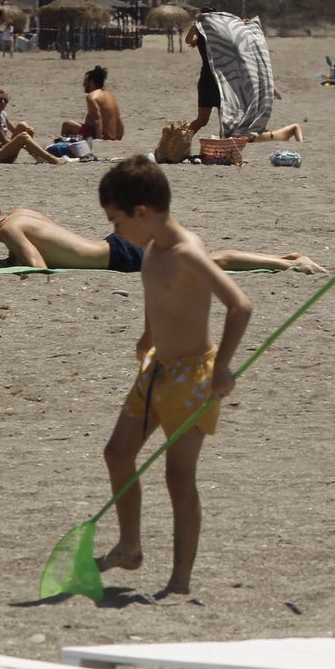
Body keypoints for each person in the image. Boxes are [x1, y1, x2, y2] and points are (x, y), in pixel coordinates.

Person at [91, 157, 252, 596]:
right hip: (156, 369)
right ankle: (130, 545)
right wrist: (146, 335)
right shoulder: (151, 248)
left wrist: (221, 369)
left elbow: (240, 305)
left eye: (116, 221)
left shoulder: (186, 252)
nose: (114, 231)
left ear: (141, 212)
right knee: (116, 453)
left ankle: (179, 581)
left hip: (193, 378)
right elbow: (153, 292)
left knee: (178, 478)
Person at [0, 190, 326, 274]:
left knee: (209, 262)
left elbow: (36, 266)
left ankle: (290, 263)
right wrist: (3, 256)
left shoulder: (9, 231)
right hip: (115, 244)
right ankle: (287, 259)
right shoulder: (21, 213)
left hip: (119, 255)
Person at [0, 88, 66, 164]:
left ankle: (38, 157)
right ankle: (51, 158)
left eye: (5, 101)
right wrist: (24, 143)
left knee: (23, 126)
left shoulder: (3, 115)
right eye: (0, 100)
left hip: (5, 153)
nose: (3, 103)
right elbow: (4, 141)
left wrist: (28, 136)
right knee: (23, 137)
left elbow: (15, 131)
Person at [60, 64, 125, 141]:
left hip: (104, 136)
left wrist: (98, 139)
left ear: (91, 82)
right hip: (117, 135)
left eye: (85, 81)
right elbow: (118, 119)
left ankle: (63, 144)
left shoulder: (92, 96)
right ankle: (72, 141)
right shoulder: (109, 95)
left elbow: (98, 119)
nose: (83, 84)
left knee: (67, 124)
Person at [184, 9, 221, 133]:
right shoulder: (200, 34)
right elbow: (189, 40)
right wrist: (196, 23)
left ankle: (225, 149)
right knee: (202, 120)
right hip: (207, 81)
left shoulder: (223, 33)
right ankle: (178, 141)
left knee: (226, 120)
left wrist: (243, 24)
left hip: (223, 81)